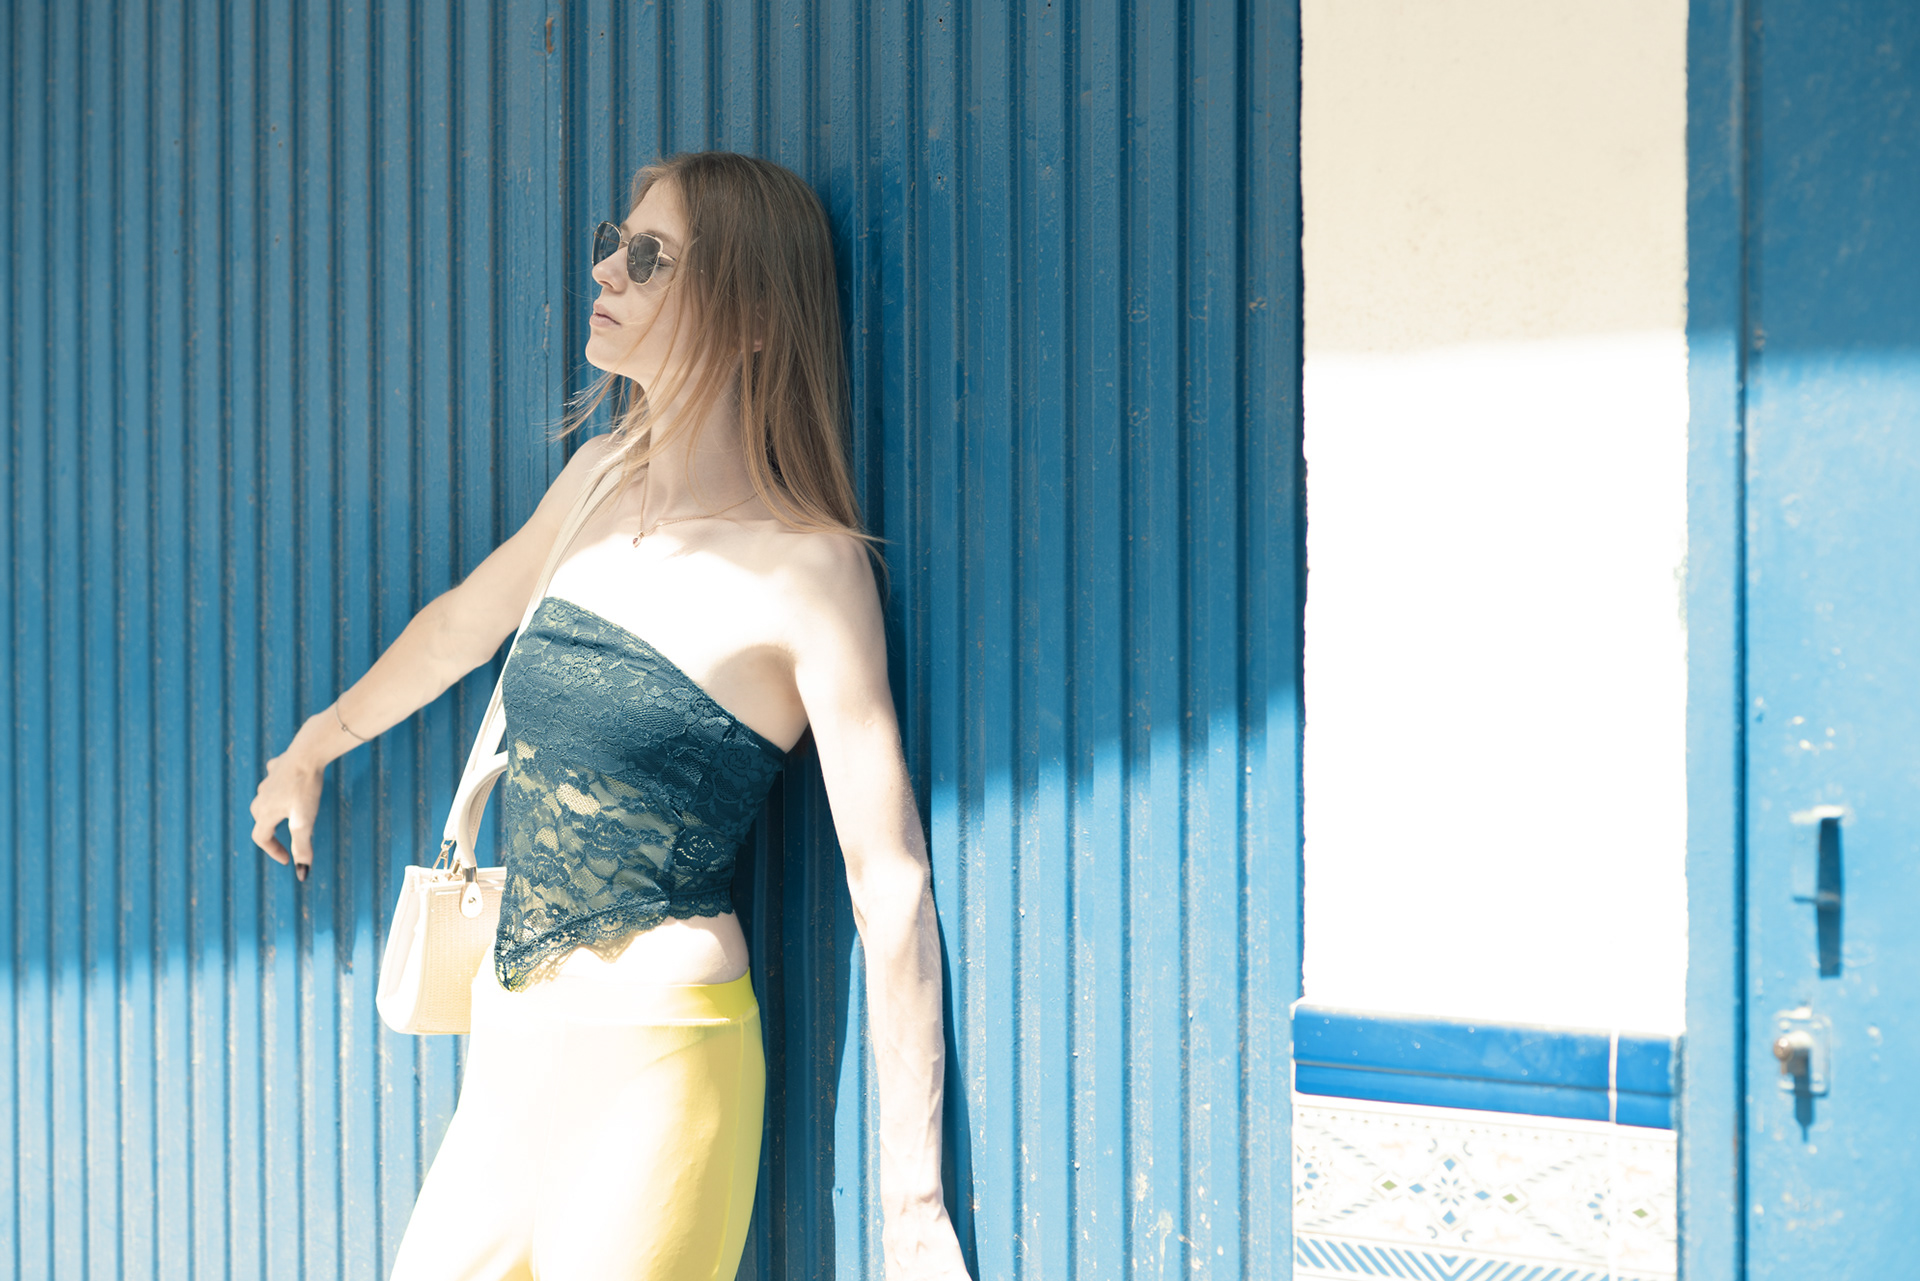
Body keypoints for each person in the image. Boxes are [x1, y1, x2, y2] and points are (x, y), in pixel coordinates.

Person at [248, 151, 970, 1281]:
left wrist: (913, 1212)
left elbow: (891, 884)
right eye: (612, 243)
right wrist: (310, 748)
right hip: (510, 1043)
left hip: (661, 1063)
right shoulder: (593, 480)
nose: (606, 271)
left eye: (651, 257)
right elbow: (458, 629)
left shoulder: (811, 570)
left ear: (753, 318)